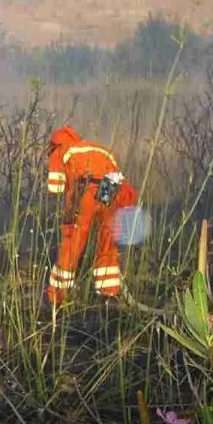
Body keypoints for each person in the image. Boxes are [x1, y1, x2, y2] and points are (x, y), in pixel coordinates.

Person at [46, 125, 138, 305]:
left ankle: (57, 296)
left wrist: (68, 206)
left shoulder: (61, 150)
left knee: (73, 240)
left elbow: (55, 187)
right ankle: (109, 292)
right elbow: (117, 176)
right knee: (106, 238)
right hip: (111, 186)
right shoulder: (96, 148)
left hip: (86, 188)